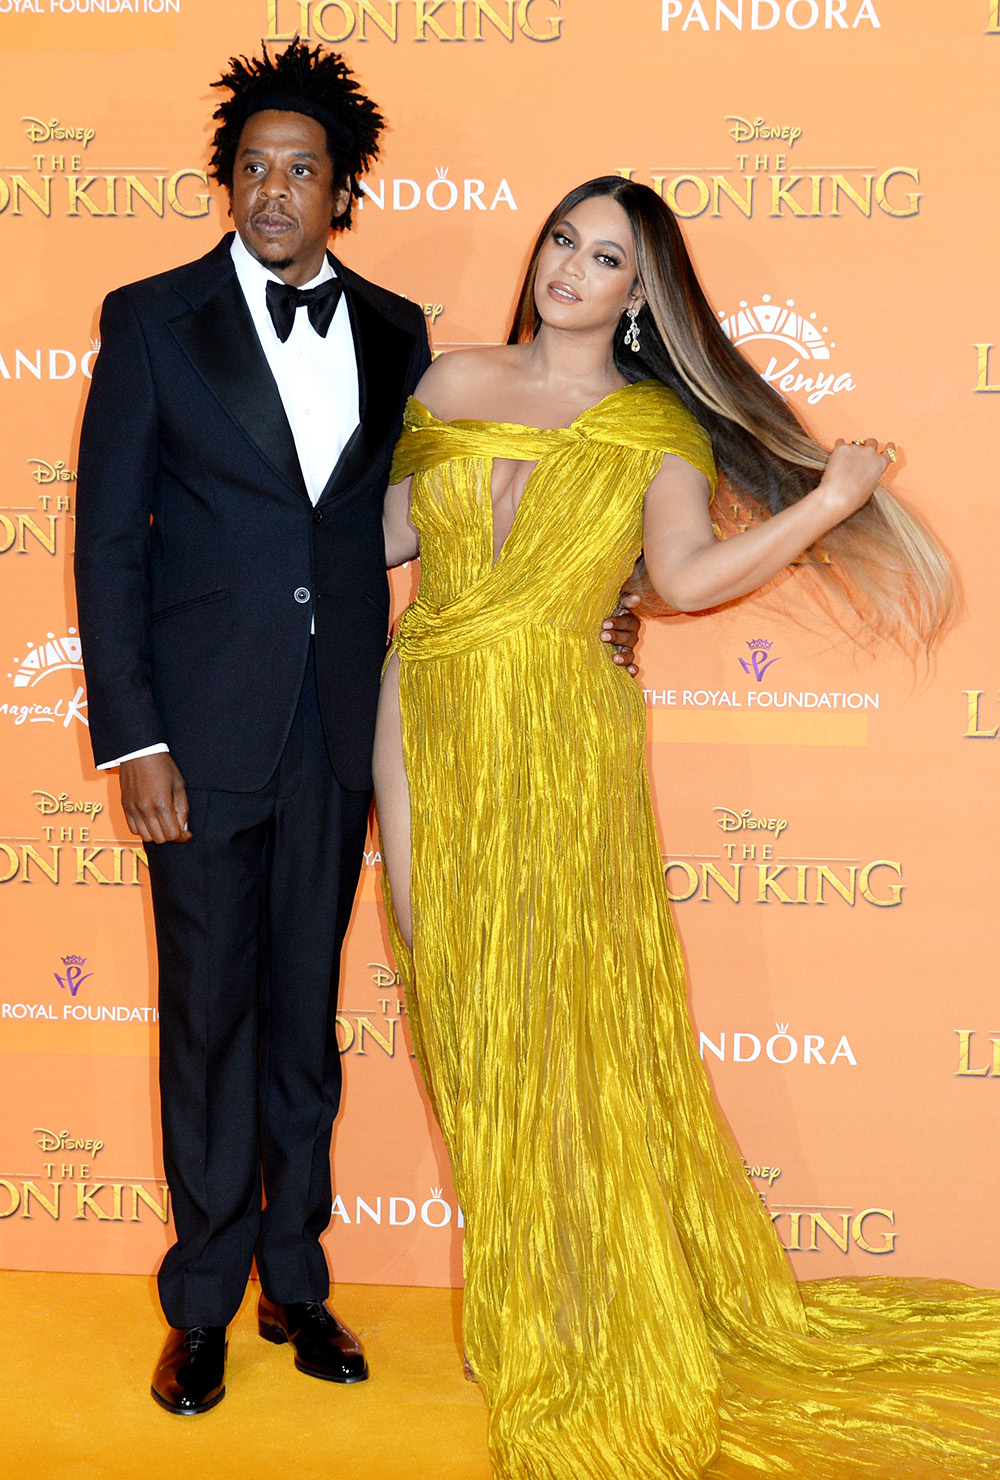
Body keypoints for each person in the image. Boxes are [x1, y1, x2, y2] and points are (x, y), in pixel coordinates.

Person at [374, 176, 1000, 1479]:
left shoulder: (654, 422)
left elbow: (682, 579)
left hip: (567, 754)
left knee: (571, 1036)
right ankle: (529, 1289)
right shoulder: (444, 381)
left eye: (606, 257)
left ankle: (568, 1318)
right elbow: (370, 551)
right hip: (425, 716)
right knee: (465, 1021)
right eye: (563, 240)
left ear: (640, 294)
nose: (570, 269)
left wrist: (828, 501)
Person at [75, 42, 639, 1418]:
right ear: (229, 183)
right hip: (196, 746)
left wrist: (594, 592)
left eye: (302, 169)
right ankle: (200, 1303)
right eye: (253, 168)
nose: (275, 190)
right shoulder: (149, 319)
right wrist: (130, 741)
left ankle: (298, 1282)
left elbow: (454, 510)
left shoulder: (398, 333)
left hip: (342, 734)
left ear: (343, 190)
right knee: (208, 1025)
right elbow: (106, 548)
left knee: (305, 1032)